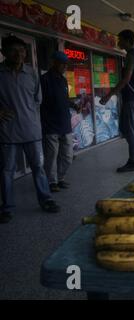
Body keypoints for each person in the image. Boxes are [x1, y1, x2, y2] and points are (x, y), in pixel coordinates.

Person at [0, 35, 60, 223]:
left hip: (32, 131)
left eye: (22, 50)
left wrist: (28, 115)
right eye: (14, 50)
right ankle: (7, 207)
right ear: (3, 53)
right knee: (6, 171)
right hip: (7, 132)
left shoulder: (32, 73)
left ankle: (46, 199)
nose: (19, 54)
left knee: (38, 168)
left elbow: (37, 99)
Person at [100, 29, 134, 172]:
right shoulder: (132, 56)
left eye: (120, 39)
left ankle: (133, 161)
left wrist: (109, 95)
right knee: (126, 129)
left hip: (131, 98)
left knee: (128, 129)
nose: (118, 42)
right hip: (131, 98)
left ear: (127, 40)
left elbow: (126, 79)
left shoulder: (132, 56)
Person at [40, 51, 81, 193]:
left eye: (66, 64)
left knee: (68, 156)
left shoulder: (64, 80)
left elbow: (66, 98)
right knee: (51, 157)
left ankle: (60, 178)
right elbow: (38, 102)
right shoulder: (43, 80)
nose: (65, 66)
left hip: (65, 124)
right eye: (62, 63)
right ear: (54, 63)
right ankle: (52, 182)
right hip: (50, 125)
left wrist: (74, 104)